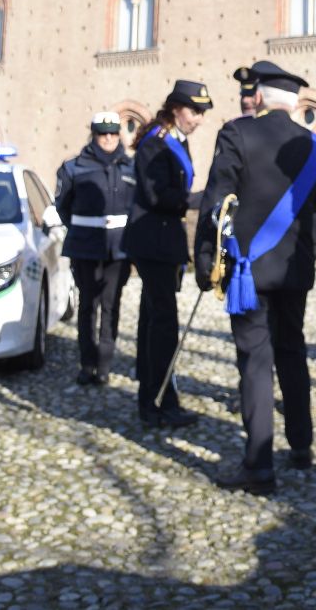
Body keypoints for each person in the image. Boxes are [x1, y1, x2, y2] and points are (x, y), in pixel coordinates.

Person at [194, 60, 316, 493]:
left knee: (255, 361)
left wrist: (203, 262)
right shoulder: (315, 145)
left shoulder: (237, 134)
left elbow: (216, 207)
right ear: (292, 101)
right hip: (294, 268)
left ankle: (258, 466)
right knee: (292, 350)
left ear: (260, 96)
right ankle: (301, 445)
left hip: (247, 273)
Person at [121, 79, 211, 428]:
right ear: (176, 109)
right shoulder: (156, 143)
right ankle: (159, 402)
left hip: (162, 241)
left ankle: (153, 396)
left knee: (153, 320)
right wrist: (198, 199)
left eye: (203, 112)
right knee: (162, 326)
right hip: (153, 242)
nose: (199, 118)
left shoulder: (175, 140)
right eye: (195, 111)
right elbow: (158, 195)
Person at [53, 112, 136, 387]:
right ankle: (87, 363)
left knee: (111, 306)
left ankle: (104, 364)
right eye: (103, 133)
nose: (109, 138)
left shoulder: (131, 167)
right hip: (85, 247)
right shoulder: (74, 168)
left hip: (119, 248)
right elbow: (63, 206)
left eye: (113, 133)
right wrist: (80, 230)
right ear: (94, 135)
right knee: (88, 306)